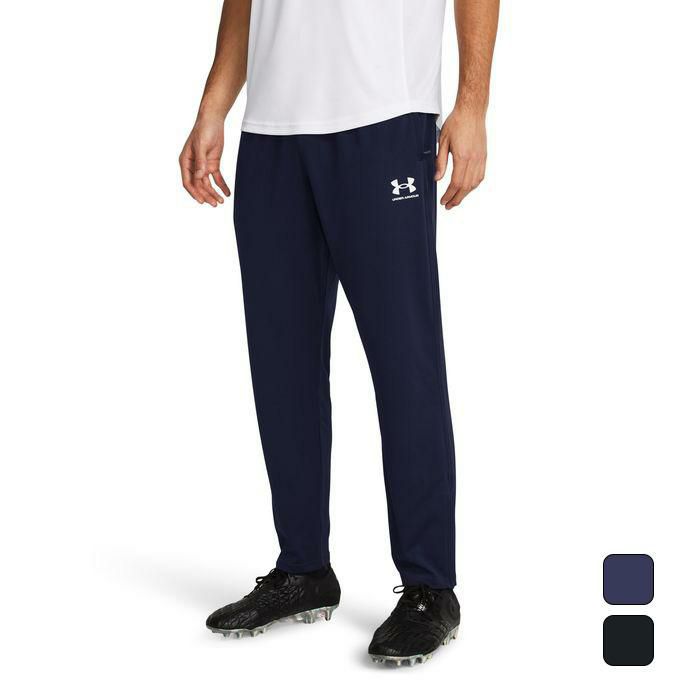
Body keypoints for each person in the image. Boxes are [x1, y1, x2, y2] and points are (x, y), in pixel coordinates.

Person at [179, 0, 499, 665]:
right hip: (272, 128)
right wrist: (214, 106)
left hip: (382, 116)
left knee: (404, 360)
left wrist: (472, 105)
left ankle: (430, 587)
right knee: (282, 365)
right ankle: (303, 568)